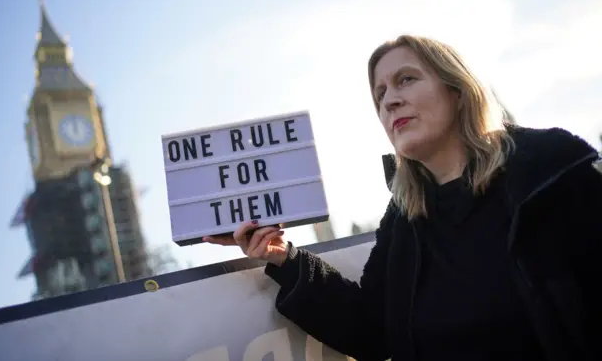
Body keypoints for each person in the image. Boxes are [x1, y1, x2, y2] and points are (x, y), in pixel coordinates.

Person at [203, 35, 602, 361]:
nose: (389, 100)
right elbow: (371, 329)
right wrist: (282, 257)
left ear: (458, 90)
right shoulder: (404, 221)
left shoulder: (552, 176)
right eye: (380, 94)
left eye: (406, 79)